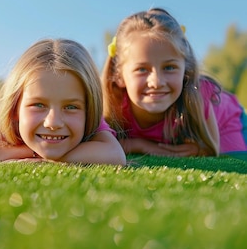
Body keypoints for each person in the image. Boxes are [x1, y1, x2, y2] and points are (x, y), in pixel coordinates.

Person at [0, 39, 126, 165]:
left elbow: (115, 155)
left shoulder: (90, 119)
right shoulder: (9, 116)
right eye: (39, 105)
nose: (53, 122)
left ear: (89, 111)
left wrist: (48, 159)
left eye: (71, 107)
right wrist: (30, 152)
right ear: (15, 108)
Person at [102, 8, 247, 156]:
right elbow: (99, 144)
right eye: (141, 69)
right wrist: (139, 145)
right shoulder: (113, 106)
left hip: (227, 118)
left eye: (169, 67)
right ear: (118, 75)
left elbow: (211, 148)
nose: (156, 82)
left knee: (235, 161)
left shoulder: (199, 95)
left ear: (185, 69)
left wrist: (198, 149)